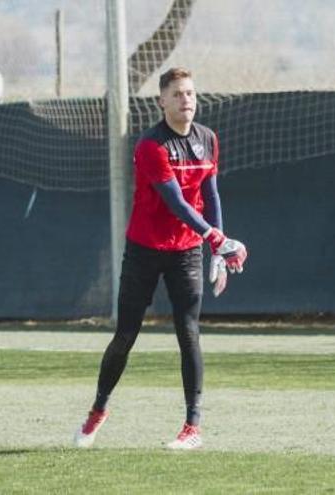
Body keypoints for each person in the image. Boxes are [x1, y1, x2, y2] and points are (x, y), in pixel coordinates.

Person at [74, 67, 248, 450]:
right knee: (125, 336)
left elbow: (210, 195)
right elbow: (177, 203)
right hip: (145, 250)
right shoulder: (150, 146)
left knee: (188, 333)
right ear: (162, 102)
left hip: (186, 252)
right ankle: (98, 410)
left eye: (190, 93)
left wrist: (215, 251)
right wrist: (218, 238)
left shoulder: (208, 139)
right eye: (178, 94)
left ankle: (192, 427)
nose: (187, 99)